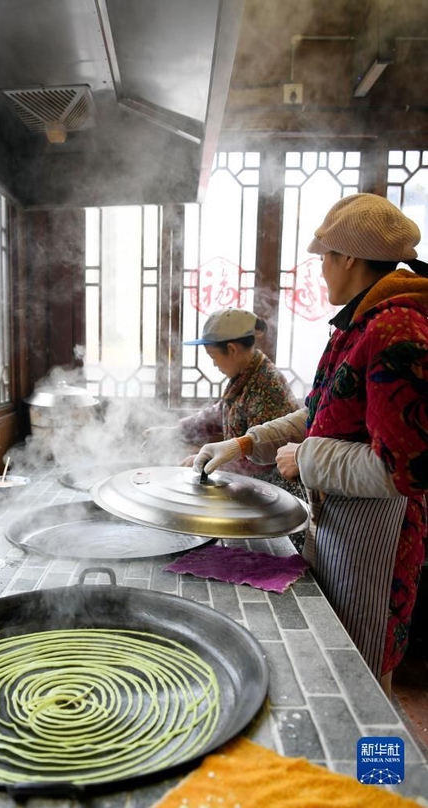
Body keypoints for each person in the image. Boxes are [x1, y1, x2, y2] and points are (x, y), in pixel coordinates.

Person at [191, 193, 428, 695]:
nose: (321, 272)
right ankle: (359, 771)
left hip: (378, 539)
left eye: (324, 259)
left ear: (348, 258)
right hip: (343, 525)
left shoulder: (396, 327)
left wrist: (308, 456)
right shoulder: (363, 321)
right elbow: (321, 412)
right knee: (342, 667)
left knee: (363, 687)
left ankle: (373, 775)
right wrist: (242, 443)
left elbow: (404, 469)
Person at [144, 307, 305, 547]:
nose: (214, 364)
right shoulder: (246, 375)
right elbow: (218, 413)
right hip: (251, 496)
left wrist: (206, 461)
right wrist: (174, 432)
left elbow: (258, 459)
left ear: (232, 349)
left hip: (273, 506)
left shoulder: (267, 384)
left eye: (213, 356)